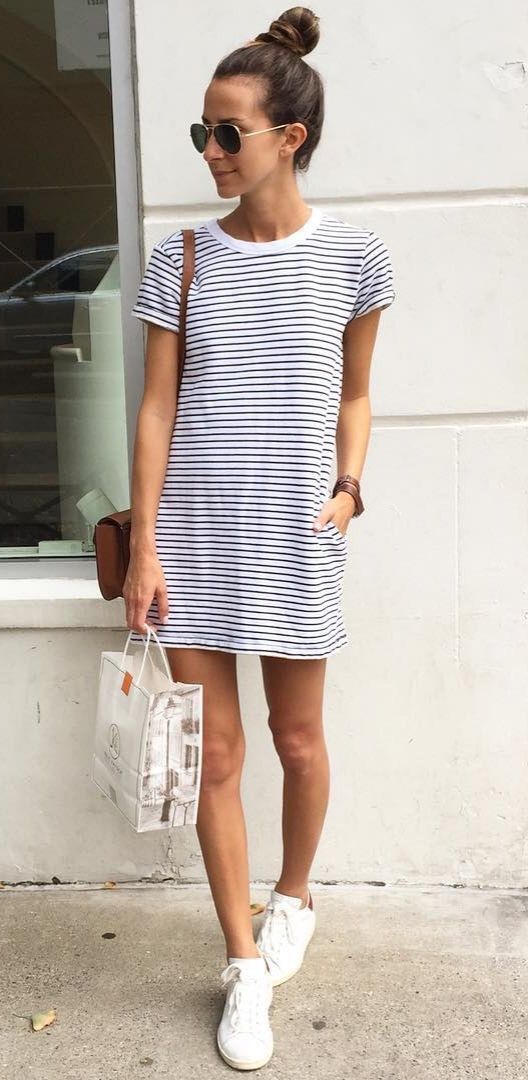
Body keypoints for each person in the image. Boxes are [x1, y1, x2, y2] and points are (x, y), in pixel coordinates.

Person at [124, 5, 395, 1070]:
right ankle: (242, 964)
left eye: (227, 132)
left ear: (291, 137)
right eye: (202, 131)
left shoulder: (355, 255)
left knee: (298, 742)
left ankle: (294, 897)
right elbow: (156, 409)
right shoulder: (182, 257)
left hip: (294, 535)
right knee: (218, 757)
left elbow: (356, 394)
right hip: (193, 539)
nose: (210, 151)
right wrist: (145, 547)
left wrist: (349, 487)